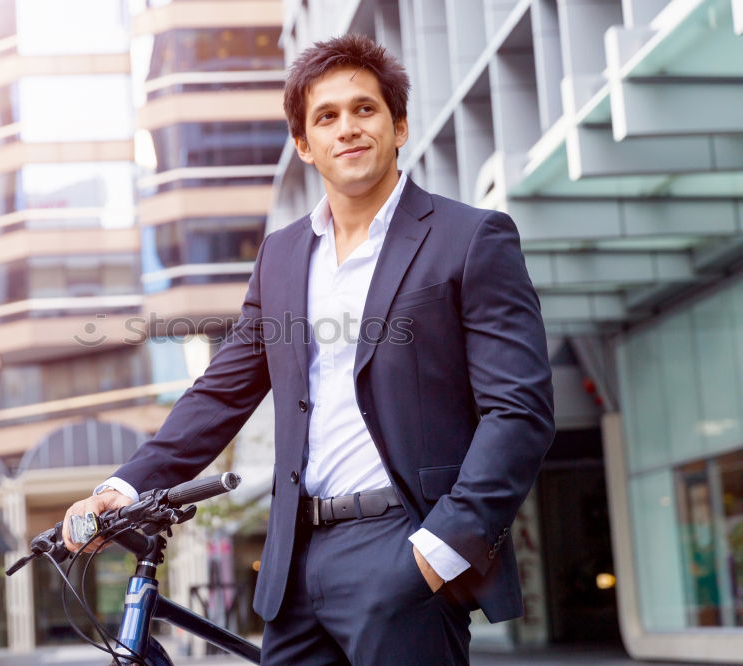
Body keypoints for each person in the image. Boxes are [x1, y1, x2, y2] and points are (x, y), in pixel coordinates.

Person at [62, 34, 555, 665]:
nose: (347, 128)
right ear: (303, 143)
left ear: (398, 125)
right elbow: (224, 389)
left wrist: (439, 550)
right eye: (326, 117)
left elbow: (520, 411)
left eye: (364, 109)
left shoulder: (470, 238)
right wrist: (126, 488)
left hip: (404, 546)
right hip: (295, 563)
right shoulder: (283, 255)